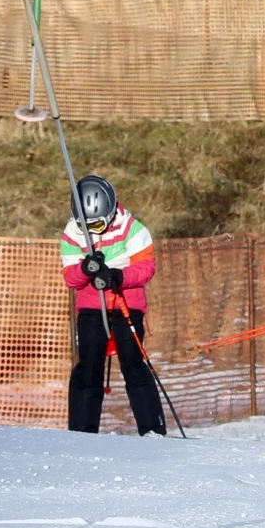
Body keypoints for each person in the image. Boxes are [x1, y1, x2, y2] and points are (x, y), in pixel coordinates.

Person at [60, 175, 166, 436]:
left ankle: (152, 429)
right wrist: (85, 268)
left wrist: (119, 276)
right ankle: (82, 431)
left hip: (125, 304)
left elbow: (146, 267)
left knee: (133, 362)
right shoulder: (73, 233)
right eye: (86, 224)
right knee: (89, 363)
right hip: (91, 307)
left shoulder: (132, 228)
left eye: (98, 223)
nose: (93, 230)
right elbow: (70, 279)